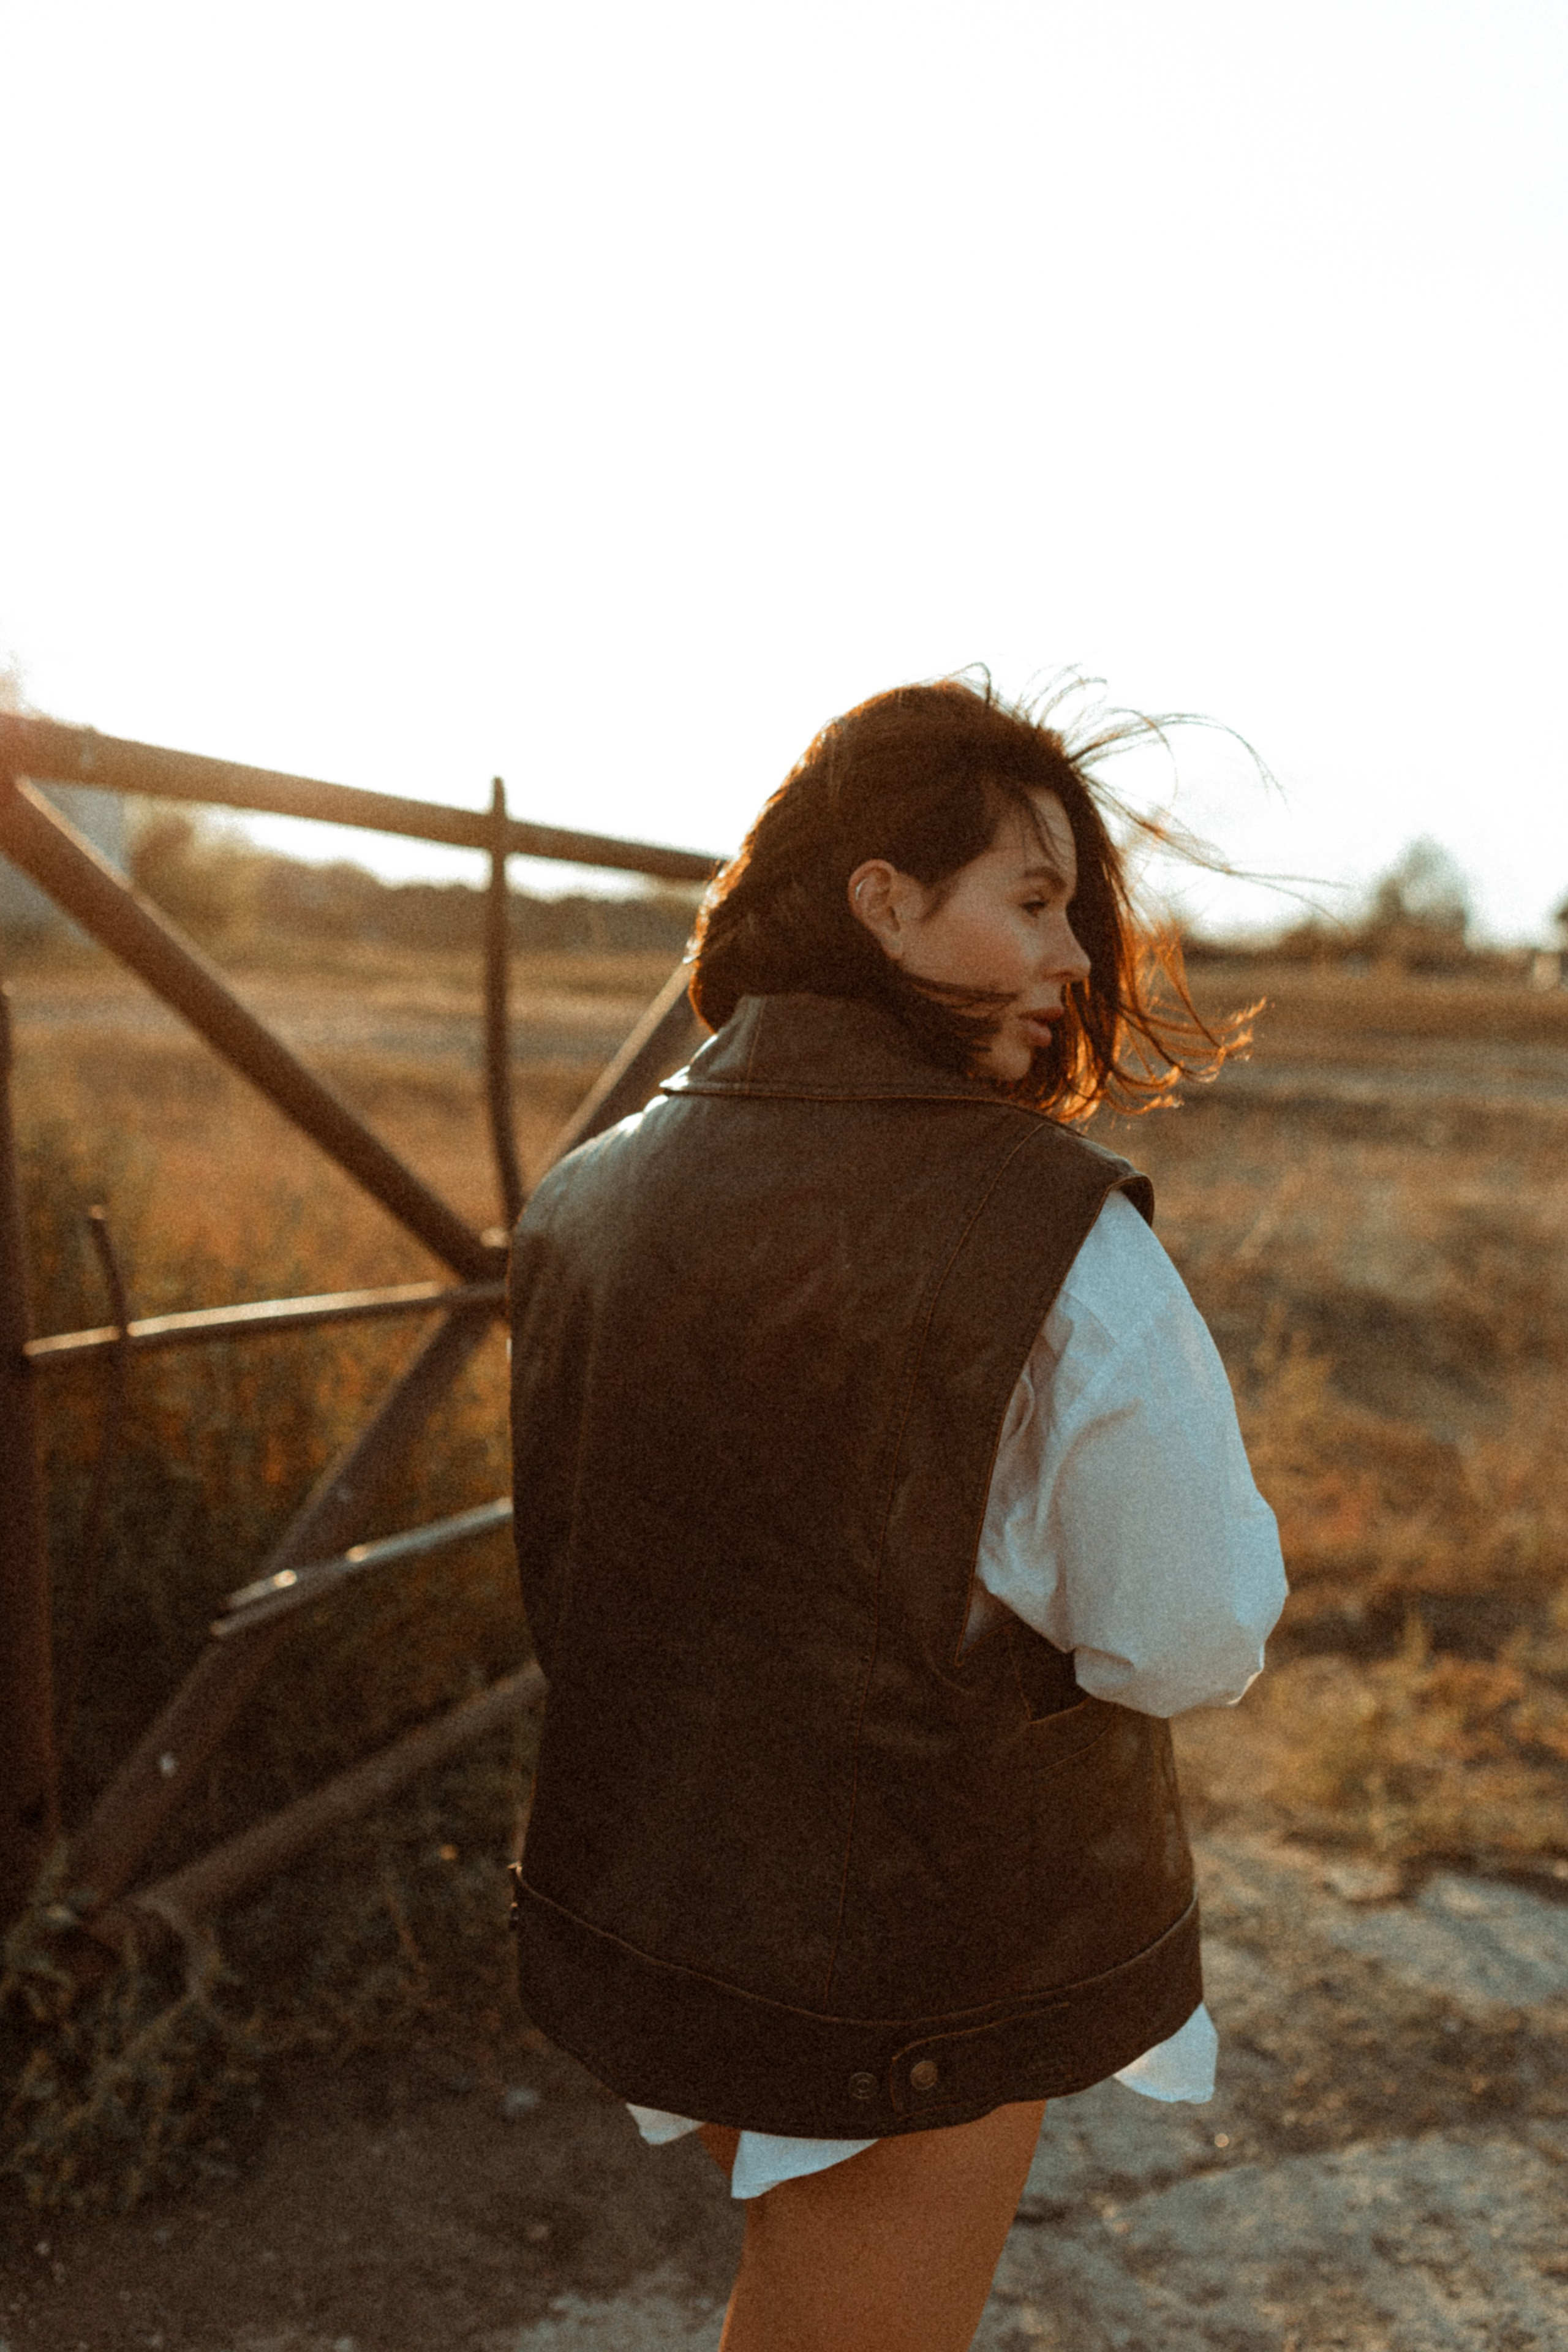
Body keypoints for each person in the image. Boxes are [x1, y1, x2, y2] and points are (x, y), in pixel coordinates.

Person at [507, 676, 1286, 2352]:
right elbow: (1192, 1633)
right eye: (1034, 902)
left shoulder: (589, 1190)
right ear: (883, 900)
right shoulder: (1053, 1236)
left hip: (654, 1903)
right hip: (915, 1949)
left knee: (798, 2299)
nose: (1076, 959)